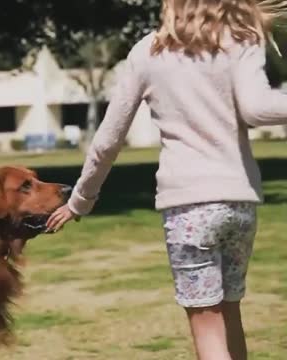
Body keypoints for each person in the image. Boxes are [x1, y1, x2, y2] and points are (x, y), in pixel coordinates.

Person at [46, 1, 287, 359]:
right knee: (230, 314)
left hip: (189, 212)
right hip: (239, 205)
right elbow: (257, 107)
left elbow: (108, 140)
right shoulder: (242, 38)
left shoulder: (147, 52)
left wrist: (80, 200)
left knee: (207, 328)